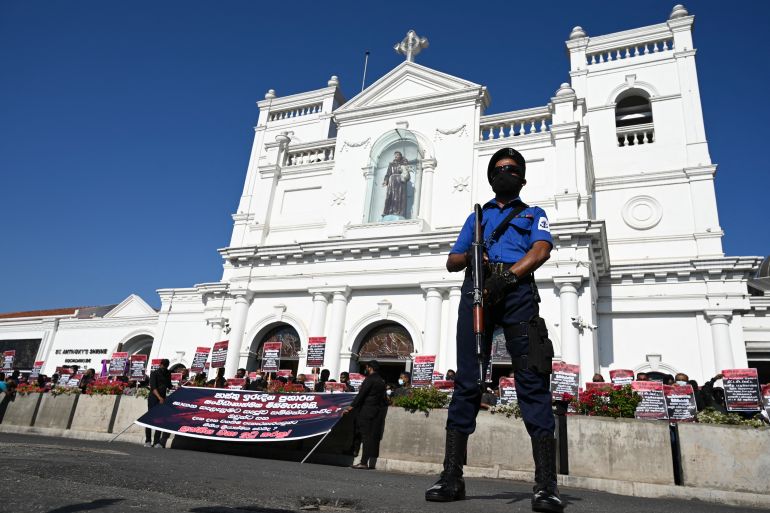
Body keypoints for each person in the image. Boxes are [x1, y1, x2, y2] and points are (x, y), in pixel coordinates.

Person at [425, 147, 563, 513]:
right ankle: (451, 477)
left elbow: (541, 251)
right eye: (500, 168)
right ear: (491, 178)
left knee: (532, 382)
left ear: (522, 179)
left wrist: (507, 278)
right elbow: (452, 261)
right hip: (477, 293)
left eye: (513, 169)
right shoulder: (477, 217)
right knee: (468, 383)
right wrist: (474, 256)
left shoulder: (534, 213)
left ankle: (546, 485)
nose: (506, 172)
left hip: (518, 295)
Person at [346, 360, 388, 470]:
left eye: (367, 367)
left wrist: (351, 406)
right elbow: (384, 398)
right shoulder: (381, 380)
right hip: (376, 411)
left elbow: (362, 394)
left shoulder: (370, 379)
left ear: (370, 368)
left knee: (365, 436)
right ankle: (364, 461)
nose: (366, 369)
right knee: (369, 436)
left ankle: (363, 462)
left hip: (366, 410)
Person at [146, 358, 172, 448]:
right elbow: (153, 388)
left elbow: (169, 385)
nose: (164, 368)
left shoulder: (168, 373)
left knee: (160, 420)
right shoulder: (154, 373)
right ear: (160, 365)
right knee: (150, 419)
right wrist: (159, 397)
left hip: (162, 398)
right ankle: (148, 440)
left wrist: (178, 387)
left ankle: (156, 441)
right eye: (163, 366)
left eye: (166, 366)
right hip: (154, 398)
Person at [382, 151, 411, 218]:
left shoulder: (403, 164)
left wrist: (404, 169)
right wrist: (385, 181)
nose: (396, 156)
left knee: (398, 197)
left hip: (400, 181)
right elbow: (388, 173)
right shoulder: (391, 164)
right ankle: (388, 212)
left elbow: (407, 174)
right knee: (390, 195)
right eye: (395, 155)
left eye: (397, 155)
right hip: (392, 181)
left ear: (400, 156)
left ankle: (398, 212)